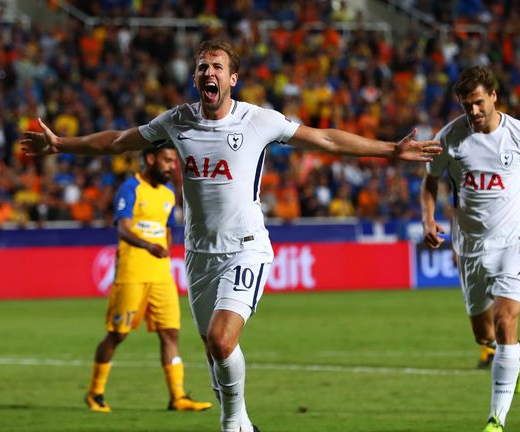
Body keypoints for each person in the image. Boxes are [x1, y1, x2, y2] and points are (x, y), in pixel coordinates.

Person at [22, 40, 440, 432]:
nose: (209, 72)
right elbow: (116, 142)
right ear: (196, 78)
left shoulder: (259, 120)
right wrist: (61, 145)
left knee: (222, 342)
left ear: (232, 79)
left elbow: (326, 139)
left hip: (246, 249)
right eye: (202, 66)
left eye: (217, 67)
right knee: (213, 350)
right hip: (199, 255)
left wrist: (389, 150)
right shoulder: (177, 121)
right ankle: (239, 421)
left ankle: (233, 424)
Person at [420, 66, 520, 432]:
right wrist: (428, 218)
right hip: (469, 247)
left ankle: (496, 421)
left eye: (479, 103)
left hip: (515, 243)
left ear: (494, 96)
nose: (474, 112)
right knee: (485, 335)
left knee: (504, 320)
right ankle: (518, 352)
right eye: (467, 105)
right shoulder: (450, 137)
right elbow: (430, 180)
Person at [85, 143, 212, 413]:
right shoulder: (130, 188)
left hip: (161, 275)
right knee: (117, 334)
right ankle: (95, 392)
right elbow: (123, 228)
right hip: (132, 273)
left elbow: (167, 228)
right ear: (151, 159)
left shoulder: (168, 193)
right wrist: (148, 246)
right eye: (167, 160)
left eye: (173, 161)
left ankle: (177, 397)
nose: (172, 166)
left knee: (171, 334)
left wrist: (163, 250)